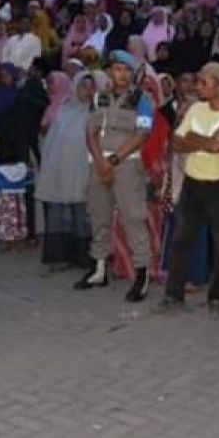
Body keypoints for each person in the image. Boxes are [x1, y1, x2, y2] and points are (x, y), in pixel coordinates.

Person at [159, 62, 219, 317]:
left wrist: (195, 141)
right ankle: (173, 295)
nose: (199, 86)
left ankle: (218, 299)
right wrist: (204, 142)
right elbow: (176, 141)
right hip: (193, 182)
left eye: (204, 82)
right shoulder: (196, 108)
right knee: (181, 240)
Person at [75, 50, 155, 301]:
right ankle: (98, 268)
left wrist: (112, 160)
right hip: (98, 164)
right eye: (116, 69)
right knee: (98, 215)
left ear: (133, 74)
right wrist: (100, 161)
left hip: (127, 165)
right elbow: (91, 131)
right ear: (110, 71)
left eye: (125, 70)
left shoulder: (143, 99)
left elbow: (142, 134)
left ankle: (142, 274)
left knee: (134, 219)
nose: (120, 75)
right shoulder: (100, 98)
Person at [36, 71, 96, 270]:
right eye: (83, 86)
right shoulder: (64, 112)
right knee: (60, 213)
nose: (88, 91)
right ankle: (59, 257)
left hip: (86, 170)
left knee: (83, 213)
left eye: (91, 87)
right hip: (62, 170)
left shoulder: (97, 113)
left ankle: (84, 258)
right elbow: (53, 144)